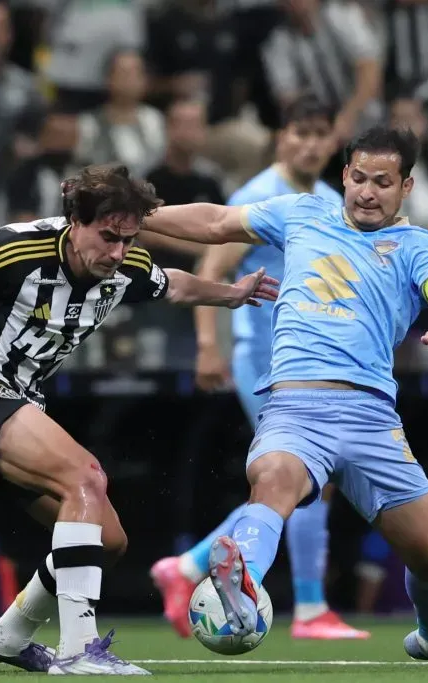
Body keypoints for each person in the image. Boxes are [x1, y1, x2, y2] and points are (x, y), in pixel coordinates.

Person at [142, 126, 428, 670]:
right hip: (295, 405)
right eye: (358, 177)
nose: (367, 191)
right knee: (273, 483)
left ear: (405, 187)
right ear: (344, 176)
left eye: (382, 182)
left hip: (370, 418)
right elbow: (216, 222)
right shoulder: (302, 213)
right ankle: (240, 582)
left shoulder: (418, 246)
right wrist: (134, 215)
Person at [0, 163, 276, 675]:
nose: (117, 252)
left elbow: (176, 285)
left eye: (128, 238)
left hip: (21, 403)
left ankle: (6, 638)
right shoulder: (15, 248)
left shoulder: (124, 267)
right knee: (86, 477)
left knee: (107, 541)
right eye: (108, 237)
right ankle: (80, 650)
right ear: (75, 220)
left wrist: (232, 294)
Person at [151, 95, 368, 641]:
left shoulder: (327, 198)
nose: (312, 144)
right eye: (302, 133)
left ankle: (186, 567)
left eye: (322, 134)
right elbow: (214, 263)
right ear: (282, 138)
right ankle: (312, 607)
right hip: (260, 355)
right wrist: (208, 345)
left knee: (300, 479)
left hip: (311, 362)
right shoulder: (260, 195)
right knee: (304, 473)